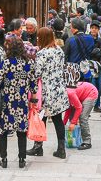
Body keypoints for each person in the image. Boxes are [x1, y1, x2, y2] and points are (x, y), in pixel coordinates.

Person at [0, 35, 36, 169]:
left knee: (2, 129)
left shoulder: (6, 63)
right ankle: (22, 159)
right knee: (21, 129)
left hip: (6, 101)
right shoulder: (29, 63)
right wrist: (33, 99)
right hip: (22, 102)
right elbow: (33, 84)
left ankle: (4, 159)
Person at [30, 27, 70, 159]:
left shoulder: (42, 53)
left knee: (41, 119)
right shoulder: (59, 50)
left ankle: (38, 146)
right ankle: (61, 149)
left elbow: (37, 73)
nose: (37, 39)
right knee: (58, 119)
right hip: (58, 89)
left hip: (46, 91)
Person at [64, 80, 98, 150]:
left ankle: (87, 142)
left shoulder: (69, 93)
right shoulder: (63, 96)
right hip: (81, 94)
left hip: (91, 93)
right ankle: (76, 139)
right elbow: (68, 109)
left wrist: (73, 123)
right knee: (72, 118)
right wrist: (63, 124)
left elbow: (79, 108)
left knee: (83, 117)